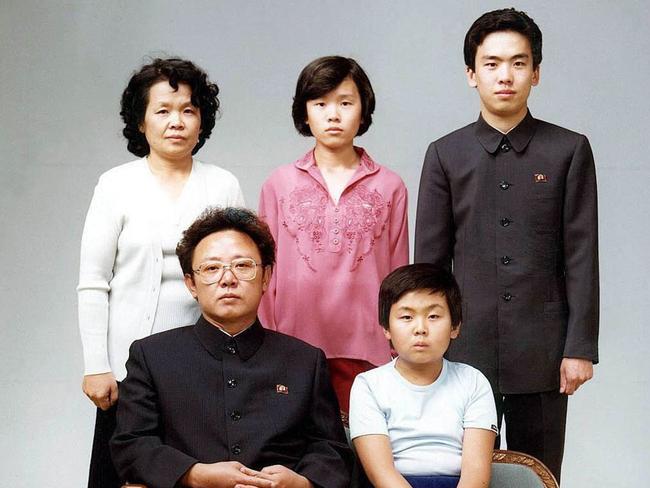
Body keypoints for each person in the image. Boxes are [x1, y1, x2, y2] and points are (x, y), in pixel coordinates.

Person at [414, 8, 599, 482]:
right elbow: (430, 265)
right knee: (460, 474)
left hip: (543, 351)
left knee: (540, 476)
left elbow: (581, 254)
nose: (505, 76)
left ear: (535, 74)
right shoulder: (445, 153)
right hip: (462, 351)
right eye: (491, 63)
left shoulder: (568, 149)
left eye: (518, 63)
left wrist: (579, 347)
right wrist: (427, 342)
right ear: (471, 74)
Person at [77, 58, 244, 487]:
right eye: (163, 110)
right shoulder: (115, 185)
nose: (177, 122)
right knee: (126, 475)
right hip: (126, 371)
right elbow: (94, 282)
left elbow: (241, 274)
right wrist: (98, 364)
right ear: (141, 120)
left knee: (198, 476)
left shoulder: (222, 184)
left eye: (188, 110)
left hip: (204, 372)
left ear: (201, 120)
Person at [110, 207, 352, 488]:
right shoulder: (151, 356)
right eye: (212, 268)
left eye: (243, 266)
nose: (228, 279)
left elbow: (331, 448)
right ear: (191, 283)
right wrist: (195, 474)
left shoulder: (305, 361)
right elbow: (131, 444)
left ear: (265, 277)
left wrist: (302, 482)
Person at [258, 56, 409, 413]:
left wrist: (395, 342)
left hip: (368, 348)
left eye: (345, 103)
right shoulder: (279, 184)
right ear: (304, 112)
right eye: (320, 103)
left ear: (363, 109)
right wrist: (265, 344)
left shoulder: (390, 186)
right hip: (291, 347)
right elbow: (263, 274)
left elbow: (400, 272)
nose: (333, 115)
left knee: (363, 454)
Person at [349, 264, 497, 488]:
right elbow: (382, 474)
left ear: (455, 326)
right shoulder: (368, 385)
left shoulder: (473, 382)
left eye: (434, 316)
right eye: (407, 317)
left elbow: (476, 476)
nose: (420, 328)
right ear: (386, 328)